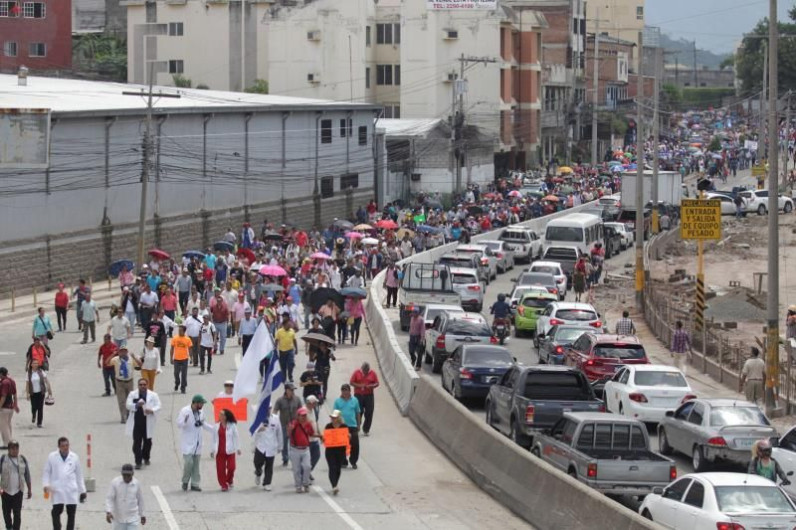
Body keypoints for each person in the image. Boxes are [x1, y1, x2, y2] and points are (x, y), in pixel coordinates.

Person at [43, 437, 87, 530]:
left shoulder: (74, 457)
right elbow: (46, 471)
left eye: (67, 445)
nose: (65, 448)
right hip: (57, 490)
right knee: (55, 512)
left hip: (71, 490)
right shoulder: (52, 457)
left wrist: (82, 490)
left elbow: (79, 475)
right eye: (63, 446)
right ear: (59, 446)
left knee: (71, 515)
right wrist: (46, 484)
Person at [176, 395, 214, 491]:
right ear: (195, 403)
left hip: (198, 442)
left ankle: (195, 484)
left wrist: (214, 429)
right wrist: (185, 420)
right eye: (201, 403)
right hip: (188, 443)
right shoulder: (185, 411)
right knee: (189, 463)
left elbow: (203, 423)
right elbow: (179, 424)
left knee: (196, 465)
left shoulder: (201, 412)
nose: (202, 405)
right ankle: (185, 481)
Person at [126, 378, 161, 469]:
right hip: (136, 422)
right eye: (140, 385)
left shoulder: (153, 395)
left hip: (148, 421)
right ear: (138, 386)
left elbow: (158, 405)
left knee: (147, 442)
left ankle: (146, 457)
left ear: (147, 385)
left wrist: (152, 410)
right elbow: (128, 405)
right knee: (136, 443)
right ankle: (138, 461)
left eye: (144, 384)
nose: (142, 386)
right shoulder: (133, 394)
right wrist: (137, 405)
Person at [0, 440, 31, 530]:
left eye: (16, 448)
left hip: (18, 491)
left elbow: (27, 475)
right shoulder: (3, 459)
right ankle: (9, 527)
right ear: (9, 450)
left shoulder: (22, 459)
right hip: (5, 491)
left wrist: (29, 489)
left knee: (17, 513)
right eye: (12, 449)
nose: (15, 451)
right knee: (6, 512)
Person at [105, 464, 145, 530]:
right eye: (124, 475)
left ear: (132, 474)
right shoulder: (115, 483)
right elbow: (110, 498)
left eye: (128, 475)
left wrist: (142, 515)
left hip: (132, 518)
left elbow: (140, 500)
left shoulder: (136, 484)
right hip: (118, 519)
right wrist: (108, 512)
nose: (126, 477)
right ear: (121, 474)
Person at [272, 383, 302, 467]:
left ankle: (294, 460)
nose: (292, 392)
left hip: (295, 426)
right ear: (286, 390)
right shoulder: (280, 400)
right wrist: (274, 422)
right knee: (284, 443)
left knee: (294, 444)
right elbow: (275, 411)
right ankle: (285, 458)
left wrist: (301, 422)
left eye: (293, 390)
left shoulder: (297, 399)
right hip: (284, 425)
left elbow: (301, 411)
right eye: (291, 390)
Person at [211, 409, 241, 491]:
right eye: (219, 414)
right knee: (220, 469)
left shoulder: (232, 425)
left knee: (232, 467)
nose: (219, 415)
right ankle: (223, 485)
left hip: (230, 450)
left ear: (225, 417)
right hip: (220, 451)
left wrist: (238, 448)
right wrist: (212, 450)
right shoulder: (216, 426)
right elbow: (213, 439)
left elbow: (236, 436)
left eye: (221, 414)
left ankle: (229, 480)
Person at [252, 406, 282, 491]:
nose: (268, 410)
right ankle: (258, 473)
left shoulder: (275, 418)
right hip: (260, 446)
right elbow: (252, 430)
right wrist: (258, 429)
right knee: (257, 463)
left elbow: (279, 432)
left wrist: (280, 446)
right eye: (266, 408)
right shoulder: (258, 418)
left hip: (271, 447)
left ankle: (267, 483)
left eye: (269, 408)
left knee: (269, 466)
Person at [333, 384, 361, 469]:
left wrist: (358, 424)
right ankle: (343, 461)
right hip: (342, 426)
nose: (345, 392)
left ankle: (353, 461)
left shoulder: (355, 400)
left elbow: (357, 413)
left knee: (355, 445)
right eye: (343, 390)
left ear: (350, 391)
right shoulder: (337, 401)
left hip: (352, 426)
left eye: (346, 390)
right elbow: (335, 414)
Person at [287, 407, 315, 493]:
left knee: (307, 466)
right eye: (302, 415)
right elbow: (288, 434)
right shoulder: (293, 424)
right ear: (298, 416)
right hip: (295, 449)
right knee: (296, 469)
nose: (304, 417)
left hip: (305, 449)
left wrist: (310, 426)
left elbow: (311, 433)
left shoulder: (307, 424)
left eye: (305, 415)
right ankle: (298, 486)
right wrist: (290, 429)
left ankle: (306, 483)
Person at [322, 410, 349, 496]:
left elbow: (347, 438)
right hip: (330, 451)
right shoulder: (328, 426)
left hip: (341, 451)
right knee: (332, 467)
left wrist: (349, 436)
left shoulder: (344, 426)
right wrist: (323, 438)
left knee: (338, 468)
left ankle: (335, 483)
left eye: (335, 417)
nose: (333, 419)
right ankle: (334, 485)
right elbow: (325, 438)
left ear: (339, 418)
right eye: (332, 417)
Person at [350, 362, 379, 437]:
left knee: (369, 411)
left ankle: (366, 429)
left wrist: (371, 386)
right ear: (362, 369)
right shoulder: (356, 372)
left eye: (367, 371)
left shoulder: (373, 373)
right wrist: (359, 385)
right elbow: (351, 382)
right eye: (364, 371)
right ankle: (356, 427)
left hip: (369, 395)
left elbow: (377, 383)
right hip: (358, 395)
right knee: (359, 411)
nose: (365, 372)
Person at [108, 349, 135, 423]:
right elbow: (107, 363)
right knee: (121, 400)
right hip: (119, 382)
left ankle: (129, 414)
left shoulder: (131, 359)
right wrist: (112, 354)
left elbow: (140, 365)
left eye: (124, 351)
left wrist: (135, 357)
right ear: (119, 352)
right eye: (121, 351)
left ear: (127, 352)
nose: (123, 353)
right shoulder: (116, 359)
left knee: (129, 399)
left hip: (129, 382)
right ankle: (123, 416)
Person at [25, 359, 51, 428]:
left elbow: (46, 380)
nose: (36, 364)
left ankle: (39, 423)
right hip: (33, 393)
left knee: (40, 407)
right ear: (31, 365)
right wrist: (27, 393)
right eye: (34, 363)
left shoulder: (41, 371)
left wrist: (49, 390)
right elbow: (27, 384)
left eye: (37, 363)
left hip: (41, 392)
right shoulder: (29, 373)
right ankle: (34, 415)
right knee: (34, 407)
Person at [275, 315, 298, 382]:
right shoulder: (279, 331)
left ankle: (290, 376)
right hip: (282, 351)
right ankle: (284, 377)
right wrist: (275, 348)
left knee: (291, 364)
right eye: (288, 324)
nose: (290, 325)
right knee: (283, 365)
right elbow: (276, 340)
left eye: (290, 323)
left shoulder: (292, 331)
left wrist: (296, 349)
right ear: (284, 324)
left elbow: (294, 340)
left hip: (290, 350)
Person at [170, 325, 193, 394]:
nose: (179, 331)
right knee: (176, 373)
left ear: (184, 331)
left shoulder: (187, 339)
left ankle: (183, 388)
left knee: (184, 374)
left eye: (180, 330)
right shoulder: (175, 338)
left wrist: (191, 358)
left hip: (184, 359)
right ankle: (177, 382)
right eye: (178, 330)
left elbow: (190, 349)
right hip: (176, 359)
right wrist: (171, 358)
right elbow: (172, 348)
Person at [0, 368, 18, 448]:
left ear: (1, 374)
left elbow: (3, 396)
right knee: (8, 424)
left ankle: (7, 444)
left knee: (4, 426)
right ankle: (10, 441)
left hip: (4, 407)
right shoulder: (11, 381)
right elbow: (15, 394)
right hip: (11, 407)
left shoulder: (4, 383)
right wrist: (15, 405)